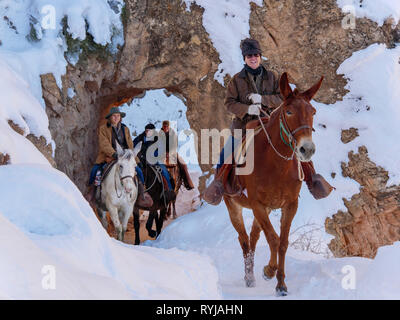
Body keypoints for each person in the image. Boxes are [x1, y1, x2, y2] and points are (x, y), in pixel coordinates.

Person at [203, 38, 333, 204]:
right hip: (243, 124)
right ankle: (219, 184)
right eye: (249, 55)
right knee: (227, 151)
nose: (253, 58)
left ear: (260, 56)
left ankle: (312, 179)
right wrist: (247, 109)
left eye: (255, 55)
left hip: (269, 121)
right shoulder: (236, 80)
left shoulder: (272, 77)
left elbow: (284, 99)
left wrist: (263, 100)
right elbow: (229, 103)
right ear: (244, 58)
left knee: (295, 144)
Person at [87, 106, 152, 207]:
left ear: (120, 117)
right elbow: (104, 144)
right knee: (96, 170)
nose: (116, 118)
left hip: (125, 155)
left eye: (118, 116)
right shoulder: (103, 129)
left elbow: (130, 144)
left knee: (138, 171)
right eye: (114, 116)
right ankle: (92, 192)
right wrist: (114, 154)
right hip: (110, 155)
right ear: (110, 118)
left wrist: (132, 156)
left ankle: (141, 193)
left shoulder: (125, 129)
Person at [133, 123, 175, 193]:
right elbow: (133, 145)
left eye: (150, 131)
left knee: (163, 170)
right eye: (146, 130)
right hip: (142, 159)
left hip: (155, 159)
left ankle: (169, 190)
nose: (148, 132)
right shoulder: (140, 138)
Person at [159, 120, 194, 190]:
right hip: (161, 153)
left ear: (169, 127)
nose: (165, 128)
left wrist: (169, 152)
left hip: (172, 152)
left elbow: (174, 145)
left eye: (166, 126)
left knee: (183, 164)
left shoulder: (172, 134)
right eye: (164, 126)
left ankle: (188, 183)